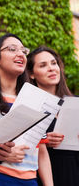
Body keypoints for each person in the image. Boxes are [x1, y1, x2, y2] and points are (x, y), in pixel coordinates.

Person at [0, 34, 53, 186]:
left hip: (29, 180)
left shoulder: (35, 101)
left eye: (23, 51)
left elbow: (41, 151)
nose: (20, 54)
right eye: (12, 49)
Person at [27, 46, 78, 186]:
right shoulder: (29, 106)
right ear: (31, 74)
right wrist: (43, 141)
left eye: (53, 63)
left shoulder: (75, 103)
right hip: (49, 174)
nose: (51, 68)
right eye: (43, 65)